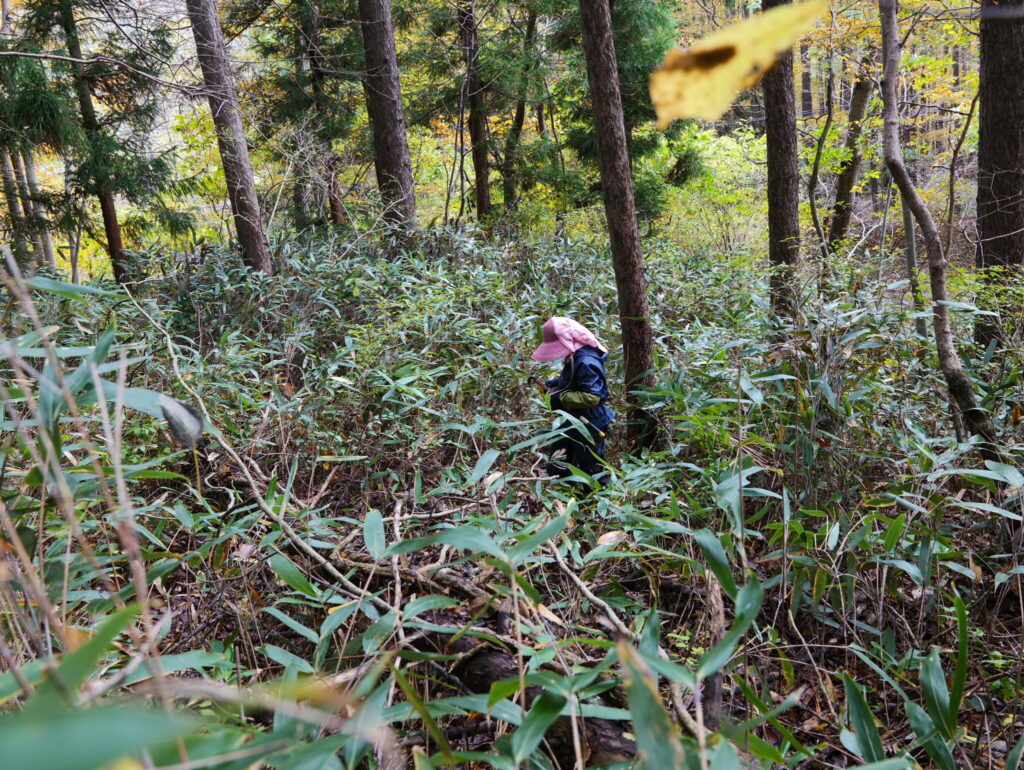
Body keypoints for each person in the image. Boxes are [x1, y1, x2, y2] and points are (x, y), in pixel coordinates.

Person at [530, 316, 614, 483]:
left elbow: (592, 397)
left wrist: (560, 397)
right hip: (571, 418)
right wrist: (553, 385)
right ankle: (565, 496)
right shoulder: (574, 356)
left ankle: (596, 503)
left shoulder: (586, 361)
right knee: (558, 461)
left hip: (590, 421)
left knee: (591, 467)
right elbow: (572, 383)